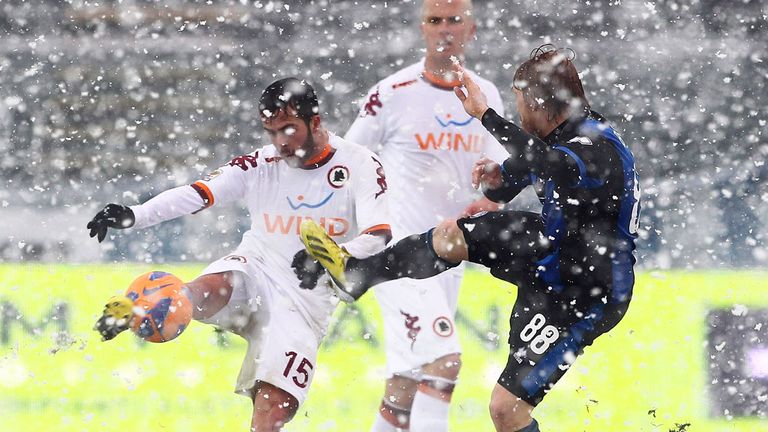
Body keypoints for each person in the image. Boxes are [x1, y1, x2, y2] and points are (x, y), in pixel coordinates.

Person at [302, 45, 641, 432]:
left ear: (536, 103)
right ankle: (357, 274)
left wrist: (486, 115)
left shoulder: (597, 146)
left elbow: (552, 165)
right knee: (451, 235)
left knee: (506, 410)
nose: (519, 115)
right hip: (549, 251)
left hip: (586, 293)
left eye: (520, 106)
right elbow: (521, 173)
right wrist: (495, 181)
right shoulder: (557, 138)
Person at [87, 78, 393, 431]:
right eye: (271, 132)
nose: (280, 142)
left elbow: (379, 234)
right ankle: (143, 308)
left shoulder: (359, 164)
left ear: (315, 121)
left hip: (304, 303)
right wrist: (135, 215)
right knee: (209, 288)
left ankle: (154, 306)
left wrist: (333, 257)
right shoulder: (260, 163)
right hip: (257, 267)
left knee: (271, 413)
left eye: (288, 129)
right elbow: (199, 193)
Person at [344, 1, 510, 430]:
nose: (444, 29)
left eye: (454, 20)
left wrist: (493, 198)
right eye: (435, 20)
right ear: (422, 28)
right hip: (397, 256)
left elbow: (500, 175)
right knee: (444, 360)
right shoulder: (391, 93)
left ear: (471, 29)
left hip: (448, 257)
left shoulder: (485, 95)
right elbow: (346, 163)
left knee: (404, 385)